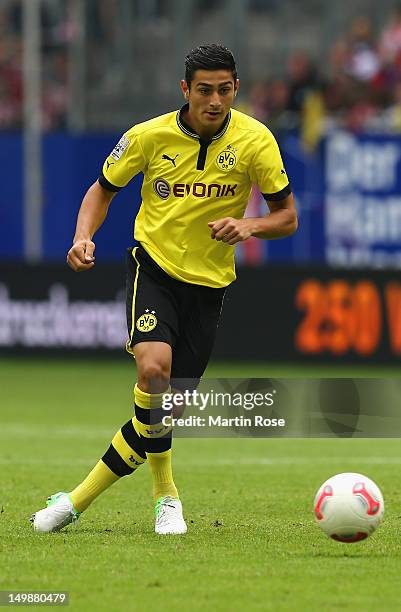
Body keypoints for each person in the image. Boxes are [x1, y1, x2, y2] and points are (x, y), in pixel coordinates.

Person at [30, 44, 297, 535]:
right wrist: (82, 237)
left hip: (210, 287)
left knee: (161, 412)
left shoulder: (257, 141)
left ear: (236, 88)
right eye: (204, 91)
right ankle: (165, 495)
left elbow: (287, 217)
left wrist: (249, 225)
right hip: (153, 269)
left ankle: (72, 501)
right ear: (185, 90)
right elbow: (102, 189)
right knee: (154, 371)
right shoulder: (148, 136)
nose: (214, 101)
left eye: (223, 90)